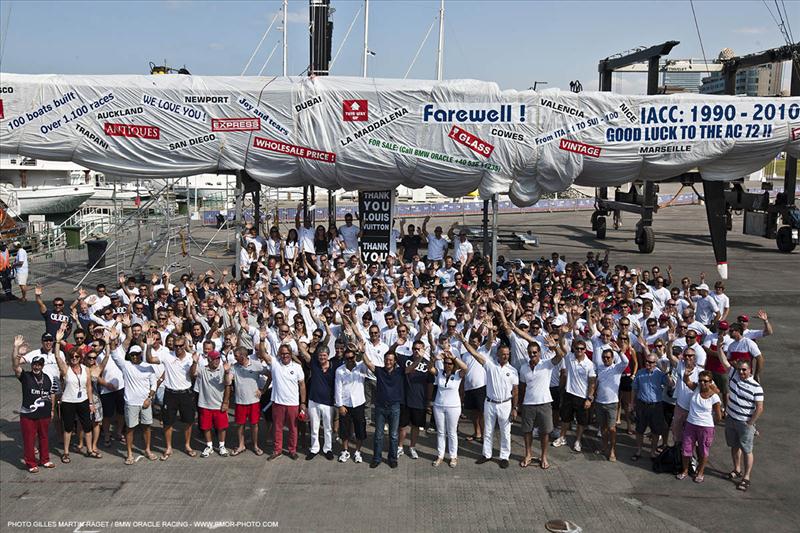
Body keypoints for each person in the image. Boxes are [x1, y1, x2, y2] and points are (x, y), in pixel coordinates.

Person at [462, 340, 519, 469]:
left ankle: (504, 457)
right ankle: (487, 454)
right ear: (497, 354)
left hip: (505, 404)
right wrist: (464, 341)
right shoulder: (490, 365)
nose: (505, 356)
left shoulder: (513, 370)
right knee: (488, 431)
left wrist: (515, 408)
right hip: (490, 403)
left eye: (507, 354)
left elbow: (515, 391)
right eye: (503, 354)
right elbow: (475, 354)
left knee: (506, 432)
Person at [714, 344, 764, 492]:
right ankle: (736, 469)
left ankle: (746, 477)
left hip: (744, 423)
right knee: (734, 446)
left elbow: (760, 408)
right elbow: (724, 361)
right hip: (731, 419)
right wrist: (719, 347)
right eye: (740, 369)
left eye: (744, 370)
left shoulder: (756, 387)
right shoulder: (733, 375)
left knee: (747, 449)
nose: (741, 372)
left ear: (750, 370)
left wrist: (750, 423)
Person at [108, 328, 159, 465]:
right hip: (131, 403)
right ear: (130, 356)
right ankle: (129, 453)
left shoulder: (148, 366)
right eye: (132, 355)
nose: (135, 356)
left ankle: (147, 450)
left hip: (145, 403)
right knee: (130, 429)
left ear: (141, 354)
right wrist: (112, 340)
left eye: (137, 354)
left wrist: (149, 399)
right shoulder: (126, 366)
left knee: (147, 427)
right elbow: (113, 353)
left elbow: (153, 385)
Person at [145, 331, 196, 459]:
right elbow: (150, 359)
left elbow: (193, 374)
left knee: (189, 421)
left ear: (184, 345)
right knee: (168, 422)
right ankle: (168, 447)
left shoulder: (191, 357)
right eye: (175, 346)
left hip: (186, 393)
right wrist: (149, 346)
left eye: (180, 345)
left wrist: (194, 363)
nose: (178, 348)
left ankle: (187, 445)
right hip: (170, 394)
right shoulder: (166, 355)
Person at [518, 338, 566, 469]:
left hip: (544, 403)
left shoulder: (547, 364)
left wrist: (555, 346)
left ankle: (543, 457)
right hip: (528, 404)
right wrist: (520, 404)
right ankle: (528, 455)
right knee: (527, 431)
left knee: (545, 432)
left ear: (539, 353)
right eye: (530, 353)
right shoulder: (523, 368)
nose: (532, 355)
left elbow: (561, 355)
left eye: (535, 352)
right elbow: (522, 387)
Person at [12, 335, 56, 473]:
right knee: (29, 439)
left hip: (44, 413)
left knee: (44, 437)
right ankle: (31, 463)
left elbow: (52, 394)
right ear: (32, 365)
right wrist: (16, 348)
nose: (37, 366)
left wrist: (52, 410)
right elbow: (15, 365)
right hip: (28, 415)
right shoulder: (26, 377)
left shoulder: (47, 378)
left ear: (42, 365)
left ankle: (45, 459)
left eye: (39, 364)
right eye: (35, 364)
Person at [359, 341, 404, 469]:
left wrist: (420, 357)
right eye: (386, 360)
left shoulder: (400, 372)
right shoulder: (379, 371)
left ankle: (392, 458)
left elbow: (411, 368)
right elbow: (368, 363)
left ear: (394, 361)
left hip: (394, 407)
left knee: (394, 436)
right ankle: (377, 458)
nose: (388, 362)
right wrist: (362, 352)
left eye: (390, 360)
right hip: (380, 407)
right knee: (378, 435)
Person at [53, 325, 95, 463]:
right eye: (72, 356)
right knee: (69, 428)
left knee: (87, 427)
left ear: (80, 357)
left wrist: (91, 403)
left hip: (83, 400)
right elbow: (57, 357)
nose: (74, 358)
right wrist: (58, 342)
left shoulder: (85, 369)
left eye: (77, 356)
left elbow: (89, 386)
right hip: (68, 401)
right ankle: (65, 452)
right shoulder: (66, 369)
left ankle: (89, 450)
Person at [259, 343, 307, 461]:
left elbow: (302, 385)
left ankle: (292, 450)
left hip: (293, 403)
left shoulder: (297, 367)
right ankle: (277, 450)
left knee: (293, 428)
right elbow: (262, 353)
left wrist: (303, 402)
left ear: (291, 354)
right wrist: (262, 339)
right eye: (282, 353)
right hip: (278, 402)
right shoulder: (275, 363)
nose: (284, 356)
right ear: (279, 354)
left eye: (287, 353)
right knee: (277, 427)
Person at [676, 370, 722, 483]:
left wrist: (710, 425)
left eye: (705, 381)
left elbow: (718, 416)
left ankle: (700, 472)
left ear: (711, 382)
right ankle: (685, 470)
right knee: (686, 449)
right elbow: (687, 381)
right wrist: (686, 374)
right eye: (700, 380)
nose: (702, 383)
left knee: (703, 451)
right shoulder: (696, 388)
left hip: (706, 427)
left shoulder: (714, 397)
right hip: (690, 424)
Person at [552, 339, 596, 453]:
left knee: (581, 422)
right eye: (577, 348)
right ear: (574, 349)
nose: (579, 351)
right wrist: (560, 336)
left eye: (582, 348)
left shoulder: (590, 364)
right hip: (569, 394)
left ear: (585, 350)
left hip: (582, 397)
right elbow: (561, 348)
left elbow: (592, 382)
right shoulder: (569, 358)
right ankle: (562, 437)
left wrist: (589, 398)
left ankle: (578, 441)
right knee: (565, 419)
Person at [428, 342, 467, 467]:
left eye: (449, 363)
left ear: (453, 364)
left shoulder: (457, 375)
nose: (447, 365)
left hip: (453, 407)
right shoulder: (439, 372)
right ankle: (440, 455)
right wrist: (435, 358)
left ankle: (453, 456)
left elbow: (465, 368)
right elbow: (430, 368)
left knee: (452, 432)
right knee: (440, 432)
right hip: (439, 405)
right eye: (445, 363)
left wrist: (454, 357)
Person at [192, 349, 232, 458]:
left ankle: (221, 446)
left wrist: (225, 402)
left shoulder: (224, 369)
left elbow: (227, 385)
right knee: (206, 427)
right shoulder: (202, 369)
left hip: (219, 405)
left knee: (222, 427)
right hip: (204, 404)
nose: (217, 361)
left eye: (218, 358)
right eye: (214, 359)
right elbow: (192, 373)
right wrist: (195, 362)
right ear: (209, 360)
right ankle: (209, 446)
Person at [230, 346, 269, 457]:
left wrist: (263, 390)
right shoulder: (234, 367)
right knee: (240, 425)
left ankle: (255, 445)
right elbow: (228, 379)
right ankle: (241, 445)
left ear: (243, 356)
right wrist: (227, 371)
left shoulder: (256, 365)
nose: (234, 358)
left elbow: (269, 375)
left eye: (236, 356)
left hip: (254, 401)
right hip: (240, 401)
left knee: (254, 424)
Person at [594, 346, 629, 462]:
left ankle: (612, 450)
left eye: (608, 357)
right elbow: (597, 383)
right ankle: (604, 447)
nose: (606, 359)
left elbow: (626, 361)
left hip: (612, 403)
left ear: (613, 358)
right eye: (604, 357)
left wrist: (619, 351)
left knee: (612, 429)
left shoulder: (617, 368)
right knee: (603, 428)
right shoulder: (599, 368)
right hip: (599, 402)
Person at [631, 353, 670, 460]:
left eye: (651, 362)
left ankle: (652, 452)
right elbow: (634, 389)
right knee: (639, 429)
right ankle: (639, 450)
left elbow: (671, 384)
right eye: (647, 361)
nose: (648, 363)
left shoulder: (660, 374)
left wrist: (665, 372)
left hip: (656, 405)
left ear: (655, 363)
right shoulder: (640, 373)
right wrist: (631, 403)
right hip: (642, 404)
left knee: (656, 431)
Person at [334, 346, 369, 464]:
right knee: (344, 430)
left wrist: (361, 351)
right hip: (345, 404)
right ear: (344, 358)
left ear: (355, 357)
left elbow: (368, 362)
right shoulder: (339, 370)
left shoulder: (361, 367)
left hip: (359, 403)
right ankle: (345, 450)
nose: (350, 360)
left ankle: (358, 451)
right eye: (347, 358)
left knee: (360, 429)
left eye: (352, 357)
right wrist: (340, 405)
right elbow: (337, 389)